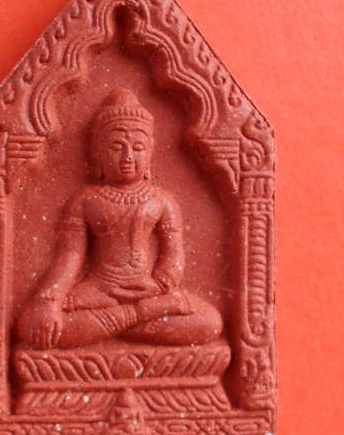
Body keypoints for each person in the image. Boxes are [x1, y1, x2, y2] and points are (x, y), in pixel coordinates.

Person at [16, 88, 222, 349]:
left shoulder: (162, 200)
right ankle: (134, 318)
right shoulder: (86, 199)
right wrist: (51, 300)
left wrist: (158, 285)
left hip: (149, 291)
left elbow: (173, 256)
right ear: (99, 153)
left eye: (138, 147)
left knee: (210, 321)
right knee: (30, 325)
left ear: (150, 153)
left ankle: (120, 321)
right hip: (99, 291)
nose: (128, 157)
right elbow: (71, 256)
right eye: (116, 147)